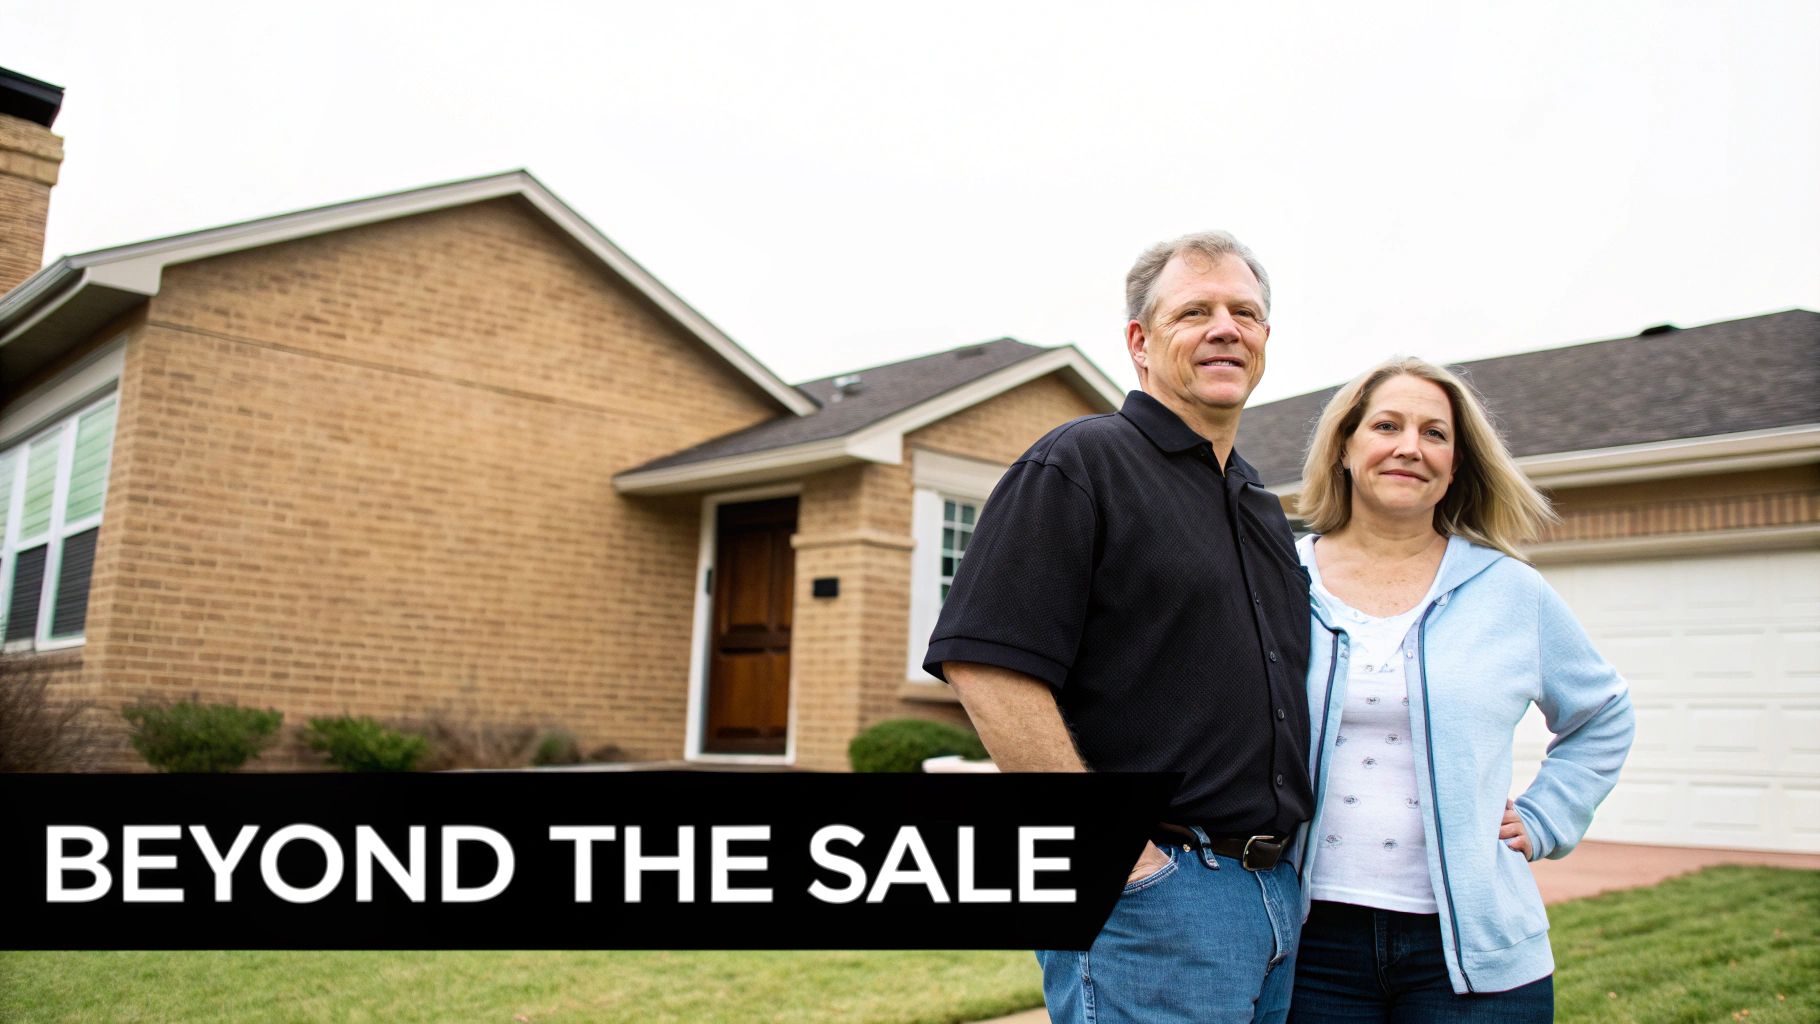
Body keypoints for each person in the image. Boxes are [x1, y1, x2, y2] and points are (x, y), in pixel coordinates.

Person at [924, 231, 1314, 1024]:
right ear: (1141, 342)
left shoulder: (1259, 507)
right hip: (1155, 894)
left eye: (1246, 312)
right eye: (1195, 311)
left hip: (1274, 893)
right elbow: (987, 666)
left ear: (1266, 339)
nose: (1225, 328)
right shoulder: (1082, 462)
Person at [1287, 357, 1636, 1022]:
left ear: (1455, 465)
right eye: (1387, 425)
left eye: (1435, 434)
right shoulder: (1279, 579)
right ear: (1345, 448)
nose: (1410, 447)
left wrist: (1544, 818)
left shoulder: (1510, 591)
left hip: (1475, 955)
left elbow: (1604, 713)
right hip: (1310, 949)